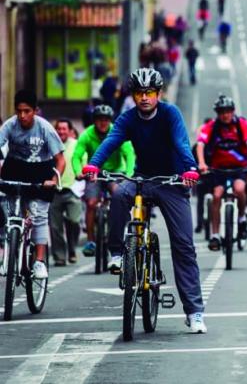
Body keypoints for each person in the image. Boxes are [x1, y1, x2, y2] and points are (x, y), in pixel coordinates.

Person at [81, 68, 207, 334]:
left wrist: (190, 169)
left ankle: (194, 312)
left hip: (173, 181)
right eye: (139, 93)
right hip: (143, 178)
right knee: (118, 195)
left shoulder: (170, 114)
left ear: (159, 94)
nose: (145, 98)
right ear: (133, 95)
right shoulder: (127, 119)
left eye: (150, 93)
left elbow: (181, 143)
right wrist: (93, 165)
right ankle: (117, 254)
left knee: (184, 246)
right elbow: (111, 142)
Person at [0, 90, 65, 280]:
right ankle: (10, 254)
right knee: (11, 216)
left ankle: (38, 261)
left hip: (41, 172)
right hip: (15, 169)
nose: (22, 116)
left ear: (35, 111)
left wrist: (53, 180)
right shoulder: (9, 125)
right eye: (19, 111)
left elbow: (60, 160)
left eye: (27, 111)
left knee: (38, 216)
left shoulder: (45, 128)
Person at [196, 95, 247, 251]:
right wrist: (202, 163)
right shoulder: (212, 126)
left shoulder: (241, 125)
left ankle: (242, 217)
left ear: (233, 112)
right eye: (221, 112)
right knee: (217, 195)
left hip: (239, 168)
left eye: (228, 111)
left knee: (239, 189)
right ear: (217, 113)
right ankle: (215, 235)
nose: (225, 115)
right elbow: (200, 144)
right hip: (219, 169)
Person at [72, 104, 135, 257]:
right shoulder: (87, 134)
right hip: (95, 173)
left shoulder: (117, 131)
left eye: (106, 119)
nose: (103, 122)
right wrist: (78, 171)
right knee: (91, 203)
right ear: (94, 121)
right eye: (99, 119)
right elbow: (76, 156)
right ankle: (91, 241)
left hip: (116, 172)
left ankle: (123, 230)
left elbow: (129, 154)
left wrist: (129, 173)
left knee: (118, 195)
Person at [50, 119, 82, 266]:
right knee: (55, 226)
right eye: (59, 129)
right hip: (54, 191)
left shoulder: (77, 145)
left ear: (69, 131)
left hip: (73, 189)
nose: (61, 132)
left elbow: (84, 163)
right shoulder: (49, 144)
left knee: (74, 222)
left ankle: (72, 249)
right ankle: (60, 256)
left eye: (64, 129)